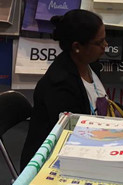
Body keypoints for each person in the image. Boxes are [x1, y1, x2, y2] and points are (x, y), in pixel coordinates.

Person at [20, 10, 108, 171]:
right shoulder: (59, 86)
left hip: (85, 146)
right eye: (99, 42)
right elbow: (71, 136)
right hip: (52, 162)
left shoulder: (91, 65)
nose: (105, 46)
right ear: (77, 47)